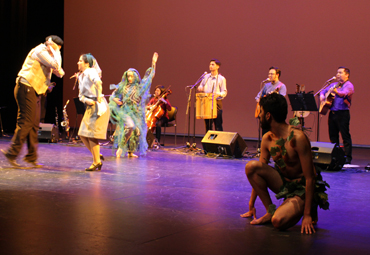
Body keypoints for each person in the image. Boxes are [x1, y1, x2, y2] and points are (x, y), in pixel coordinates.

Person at [241, 93, 329, 234]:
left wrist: (306, 215)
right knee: (251, 166)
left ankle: (309, 204)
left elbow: (310, 177)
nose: (259, 116)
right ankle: (270, 211)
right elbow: (259, 172)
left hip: (301, 188)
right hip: (284, 184)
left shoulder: (298, 138)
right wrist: (251, 203)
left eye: (261, 112)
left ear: (268, 115)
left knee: (278, 221)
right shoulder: (267, 138)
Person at [2, 35, 65, 167]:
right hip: (26, 87)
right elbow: (56, 65)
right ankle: (12, 153)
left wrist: (55, 56)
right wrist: (56, 52)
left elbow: (60, 73)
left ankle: (31, 157)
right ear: (50, 44)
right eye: (55, 48)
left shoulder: (48, 55)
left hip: (35, 90)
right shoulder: (40, 51)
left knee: (35, 124)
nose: (56, 51)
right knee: (26, 121)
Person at [109, 52, 158, 158]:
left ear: (135, 76)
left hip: (136, 112)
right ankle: (121, 148)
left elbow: (150, 78)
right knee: (127, 129)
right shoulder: (123, 86)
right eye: (128, 76)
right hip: (125, 111)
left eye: (131, 76)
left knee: (136, 134)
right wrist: (116, 100)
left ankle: (131, 152)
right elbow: (113, 95)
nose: (130, 78)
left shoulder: (139, 87)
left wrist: (153, 63)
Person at [77, 53, 109, 171]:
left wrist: (99, 94)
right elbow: (80, 96)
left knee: (91, 136)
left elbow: (98, 82)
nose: (78, 63)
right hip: (90, 105)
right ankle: (97, 155)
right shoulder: (81, 76)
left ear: (87, 63)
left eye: (80, 61)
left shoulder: (91, 71)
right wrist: (86, 100)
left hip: (97, 105)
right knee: (82, 134)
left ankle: (96, 162)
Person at [320, 67, 354, 164]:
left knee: (345, 136)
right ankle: (335, 155)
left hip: (342, 113)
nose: (338, 74)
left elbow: (344, 94)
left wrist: (337, 92)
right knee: (333, 135)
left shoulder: (349, 85)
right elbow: (323, 91)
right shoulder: (334, 84)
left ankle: (348, 157)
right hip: (333, 113)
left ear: (347, 75)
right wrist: (322, 95)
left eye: (340, 72)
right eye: (337, 72)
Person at [255, 66, 287, 136]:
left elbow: (281, 101)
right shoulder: (266, 85)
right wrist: (261, 102)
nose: (270, 75)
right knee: (265, 134)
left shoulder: (282, 86)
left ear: (277, 75)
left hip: (275, 116)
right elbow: (257, 97)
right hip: (266, 115)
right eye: (269, 74)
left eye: (272, 74)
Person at [197, 59, 227, 132]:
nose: (210, 66)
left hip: (216, 102)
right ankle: (208, 142)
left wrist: (218, 94)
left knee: (218, 124)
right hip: (207, 102)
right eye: (210, 64)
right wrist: (200, 88)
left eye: (213, 64)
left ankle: (219, 142)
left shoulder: (221, 79)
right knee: (208, 124)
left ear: (218, 67)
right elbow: (200, 86)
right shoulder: (206, 77)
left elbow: (224, 91)